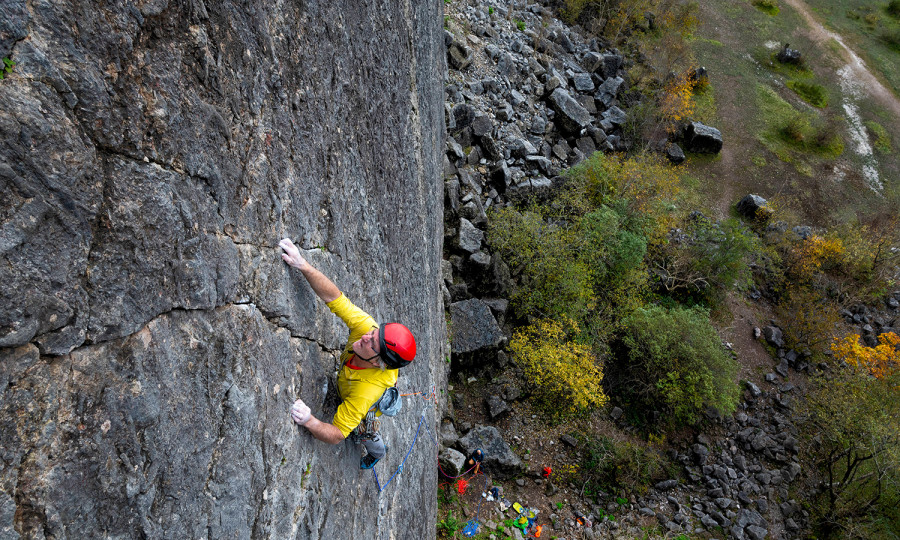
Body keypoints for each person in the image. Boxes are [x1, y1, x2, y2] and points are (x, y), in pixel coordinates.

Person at [279, 238, 416, 469]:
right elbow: (335, 298)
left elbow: (337, 434)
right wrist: (302, 264)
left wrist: (309, 420)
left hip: (366, 406)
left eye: (372, 343)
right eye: (374, 334)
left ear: (379, 363)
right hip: (355, 383)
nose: (365, 336)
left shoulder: (364, 394)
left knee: (366, 435)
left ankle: (377, 454)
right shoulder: (368, 328)